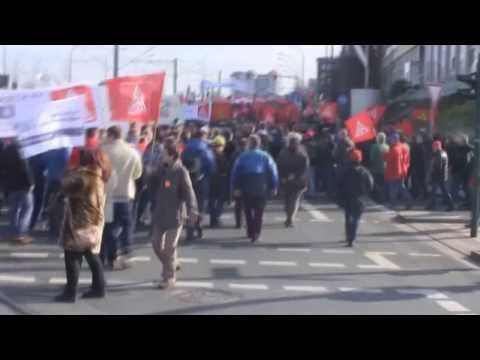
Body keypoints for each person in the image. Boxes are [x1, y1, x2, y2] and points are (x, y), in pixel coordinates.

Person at [55, 148, 112, 303]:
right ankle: (99, 287)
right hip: (94, 221)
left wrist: (68, 171)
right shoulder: (98, 175)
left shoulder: (82, 177)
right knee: (91, 254)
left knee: (72, 256)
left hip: (80, 222)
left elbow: (64, 186)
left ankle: (70, 293)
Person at [149, 139, 198, 289]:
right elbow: (150, 183)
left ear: (172, 156)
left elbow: (189, 192)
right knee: (156, 244)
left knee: (170, 247)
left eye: (164, 154)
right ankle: (172, 263)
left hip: (175, 215)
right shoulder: (161, 169)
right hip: (160, 214)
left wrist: (193, 210)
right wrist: (151, 171)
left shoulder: (181, 171)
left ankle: (169, 277)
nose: (161, 157)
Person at [101, 126, 143, 270]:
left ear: (111, 135)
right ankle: (127, 250)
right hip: (126, 193)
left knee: (109, 226)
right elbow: (137, 174)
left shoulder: (103, 151)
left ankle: (111, 255)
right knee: (127, 225)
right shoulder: (132, 152)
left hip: (108, 194)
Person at [231, 135, 278, 242]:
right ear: (259, 144)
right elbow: (273, 171)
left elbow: (235, 173)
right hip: (261, 184)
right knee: (259, 211)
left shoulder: (242, 156)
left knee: (247, 210)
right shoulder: (266, 156)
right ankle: (256, 233)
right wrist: (274, 186)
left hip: (246, 183)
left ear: (249, 144)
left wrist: (235, 187)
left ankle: (250, 231)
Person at [182, 127, 216, 241]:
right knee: (201, 205)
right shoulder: (205, 148)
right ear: (203, 136)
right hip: (202, 179)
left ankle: (189, 230)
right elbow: (211, 165)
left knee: (189, 204)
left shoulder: (186, 147)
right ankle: (198, 227)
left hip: (188, 179)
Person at [0, 139, 34, 245]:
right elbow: (25, 166)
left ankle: (13, 233)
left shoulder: (3, 149)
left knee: (14, 209)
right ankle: (21, 233)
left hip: (10, 184)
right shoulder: (19, 147)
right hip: (22, 183)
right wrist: (31, 182)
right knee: (27, 208)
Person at [338, 149, 374, 247]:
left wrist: (339, 196)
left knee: (348, 217)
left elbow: (339, 183)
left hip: (347, 197)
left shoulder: (345, 170)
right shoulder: (364, 172)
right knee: (356, 218)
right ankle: (352, 238)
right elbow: (370, 184)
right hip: (360, 198)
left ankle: (349, 237)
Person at [277, 132, 309, 228]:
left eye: (295, 141)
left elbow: (305, 166)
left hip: (298, 181)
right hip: (286, 180)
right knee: (287, 200)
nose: (293, 143)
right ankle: (289, 216)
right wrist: (283, 176)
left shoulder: (302, 152)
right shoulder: (283, 152)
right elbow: (279, 165)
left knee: (294, 199)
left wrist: (295, 175)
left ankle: (290, 219)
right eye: (291, 141)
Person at [384, 133, 412, 210]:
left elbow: (387, 159)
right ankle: (408, 201)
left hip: (394, 172)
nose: (390, 141)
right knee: (401, 188)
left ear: (395, 140)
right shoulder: (401, 147)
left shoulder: (394, 149)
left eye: (391, 139)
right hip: (401, 171)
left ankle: (393, 204)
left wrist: (385, 154)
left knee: (393, 189)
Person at [427, 141, 454, 211]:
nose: (433, 148)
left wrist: (433, 173)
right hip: (442, 175)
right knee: (439, 191)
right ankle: (432, 205)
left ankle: (450, 205)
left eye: (434, 146)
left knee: (439, 191)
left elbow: (438, 166)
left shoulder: (438, 153)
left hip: (438, 176)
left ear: (436, 146)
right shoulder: (443, 153)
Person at [208, 135, 229, 228]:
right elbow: (225, 169)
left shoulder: (209, 155)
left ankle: (213, 219)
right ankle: (216, 218)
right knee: (220, 200)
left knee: (212, 200)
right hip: (220, 180)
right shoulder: (222, 156)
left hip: (211, 180)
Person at [450, 134, 474, 208]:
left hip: (460, 172)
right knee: (465, 188)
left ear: (463, 141)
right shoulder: (470, 149)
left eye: (460, 140)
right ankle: (468, 202)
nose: (458, 141)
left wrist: (453, 169)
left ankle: (452, 204)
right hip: (465, 172)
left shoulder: (463, 149)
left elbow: (459, 161)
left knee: (455, 188)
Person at [230, 137, 248, 229]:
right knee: (246, 203)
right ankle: (243, 221)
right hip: (247, 181)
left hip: (237, 181)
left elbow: (231, 169)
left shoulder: (235, 154)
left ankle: (239, 222)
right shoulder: (249, 155)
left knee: (238, 203)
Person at [369, 132, 389, 203]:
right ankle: (383, 198)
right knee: (383, 184)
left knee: (375, 184)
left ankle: (377, 198)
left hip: (375, 169)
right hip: (385, 168)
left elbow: (372, 159)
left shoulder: (375, 147)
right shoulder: (387, 147)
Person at [409, 133, 428, 200]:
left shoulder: (416, 147)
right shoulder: (422, 147)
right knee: (421, 182)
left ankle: (418, 194)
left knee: (417, 181)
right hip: (421, 167)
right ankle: (423, 194)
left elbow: (414, 158)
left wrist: (412, 167)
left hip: (417, 167)